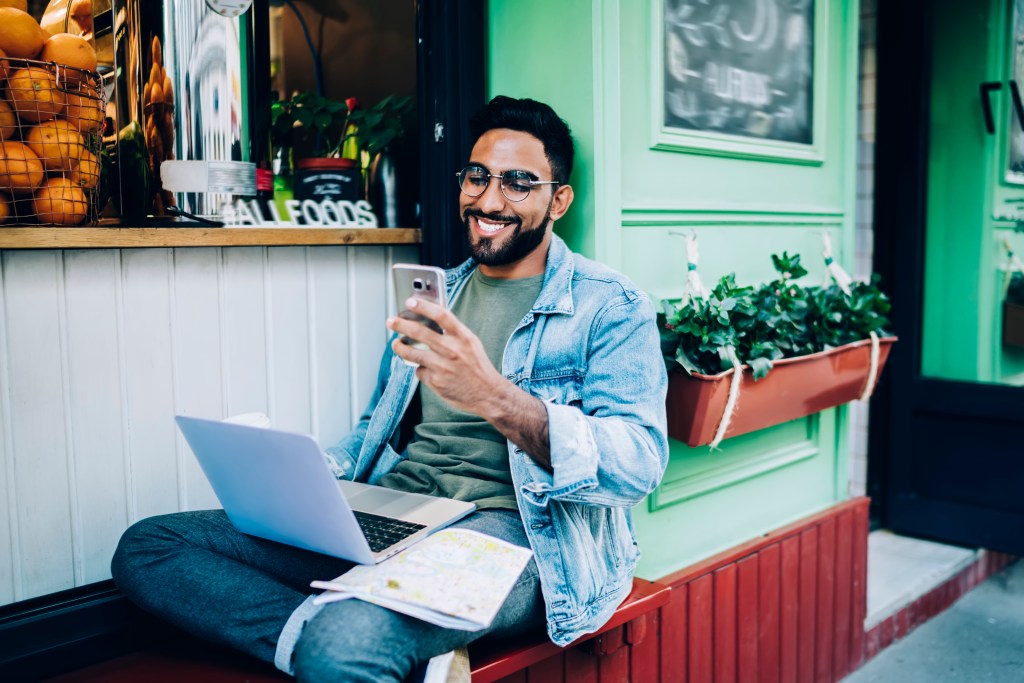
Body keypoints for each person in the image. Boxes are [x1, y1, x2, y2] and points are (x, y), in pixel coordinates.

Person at [111, 96, 669, 682]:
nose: (489, 200)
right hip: (400, 509)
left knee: (345, 642)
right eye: (477, 177)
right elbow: (376, 426)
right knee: (150, 546)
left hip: (515, 531)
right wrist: (310, 474)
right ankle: (354, 637)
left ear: (558, 200)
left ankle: (347, 635)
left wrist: (495, 397)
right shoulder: (436, 296)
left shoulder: (610, 306)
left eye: (518, 183)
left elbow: (638, 463)